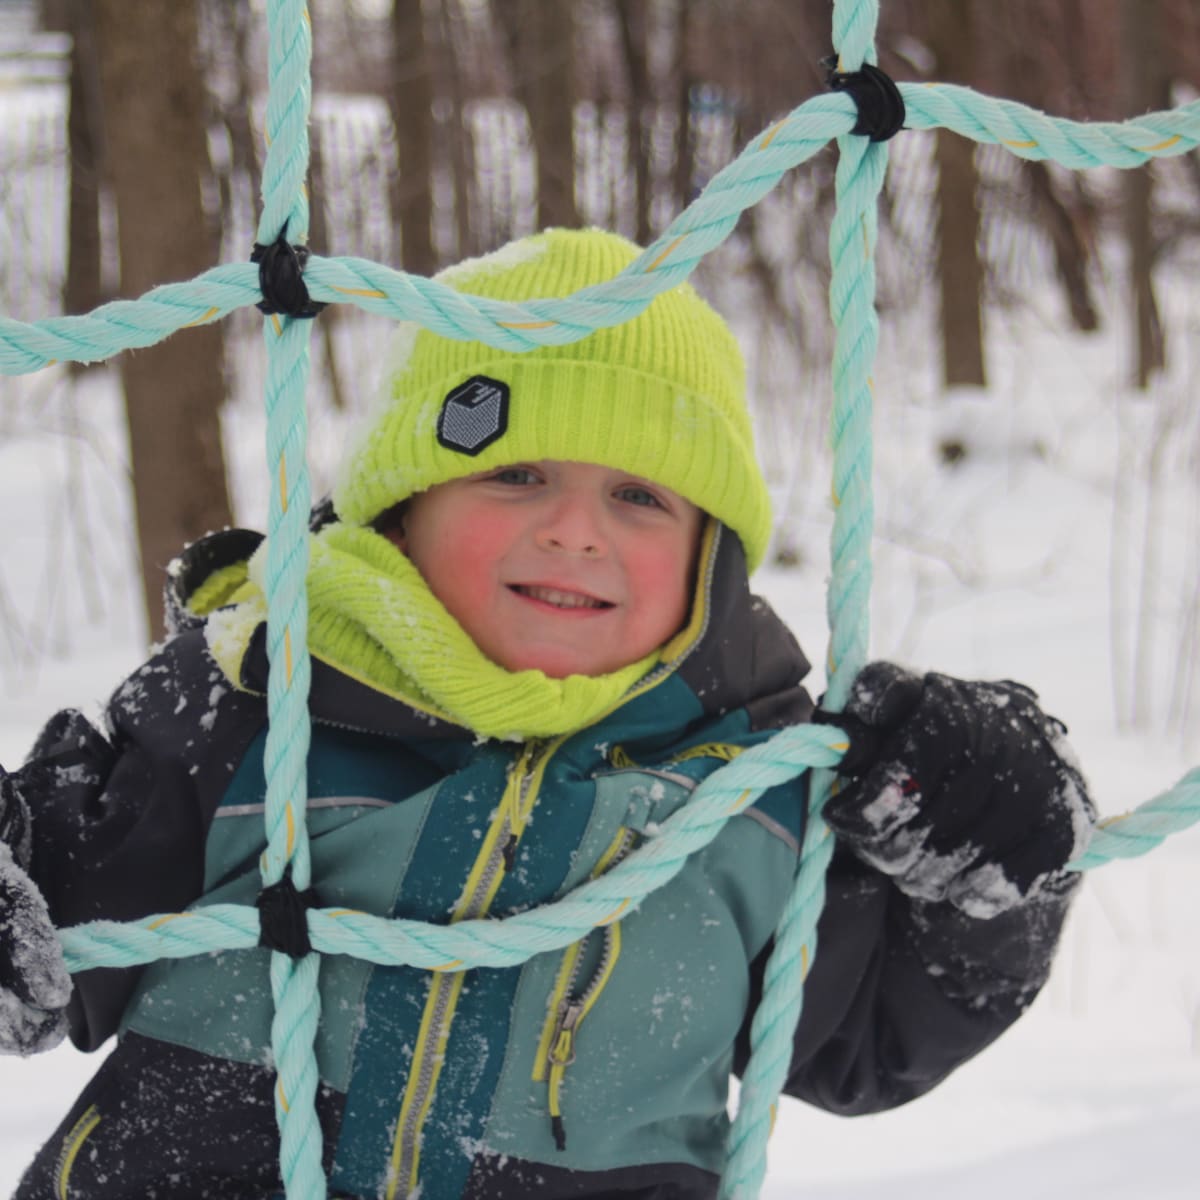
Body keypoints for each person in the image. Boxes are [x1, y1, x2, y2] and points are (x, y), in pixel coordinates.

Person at [0, 228, 1094, 1200]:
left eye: (640, 496)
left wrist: (989, 863)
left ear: (708, 559)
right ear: (403, 510)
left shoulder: (753, 795)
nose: (576, 530)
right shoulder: (254, 705)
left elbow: (875, 1034)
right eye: (516, 473)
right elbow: (57, 896)